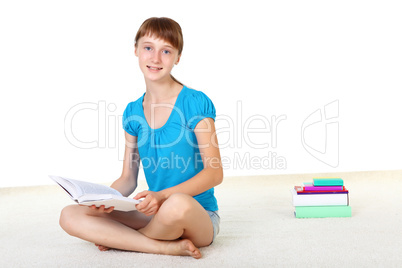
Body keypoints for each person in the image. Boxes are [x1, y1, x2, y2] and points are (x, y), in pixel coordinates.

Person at [59, 17, 223, 259]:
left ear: (177, 57)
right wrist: (104, 201)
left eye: (166, 51)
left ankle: (123, 239)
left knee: (177, 203)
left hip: (194, 214)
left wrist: (162, 196)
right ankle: (162, 246)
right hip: (154, 212)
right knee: (70, 214)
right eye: (148, 48)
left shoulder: (195, 103)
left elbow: (214, 173)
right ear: (136, 50)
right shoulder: (133, 112)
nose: (155, 58)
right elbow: (128, 179)